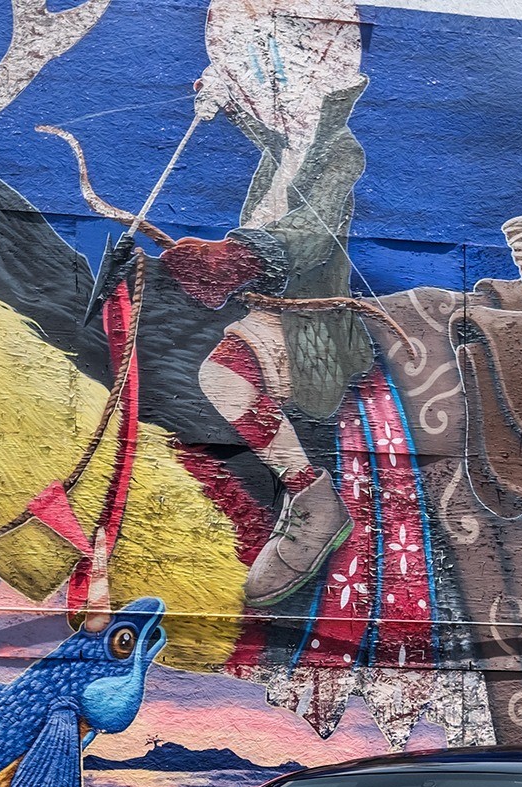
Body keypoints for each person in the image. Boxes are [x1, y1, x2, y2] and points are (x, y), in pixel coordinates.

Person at [161, 0, 374, 608]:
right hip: (270, 312)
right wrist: (228, 106)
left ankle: (312, 498)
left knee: (224, 375)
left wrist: (243, 257)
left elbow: (312, 231)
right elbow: (278, 135)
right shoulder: (283, 151)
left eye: (265, 67)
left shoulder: (340, 153)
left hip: (314, 321)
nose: (261, 84)